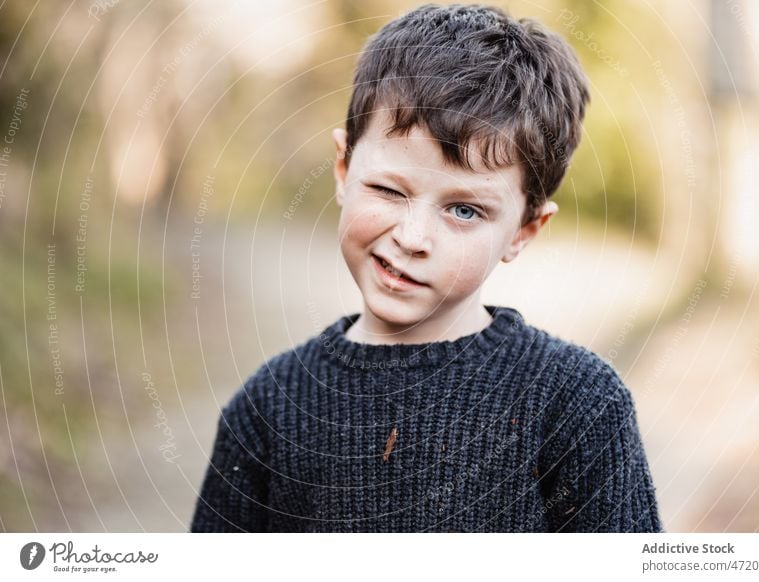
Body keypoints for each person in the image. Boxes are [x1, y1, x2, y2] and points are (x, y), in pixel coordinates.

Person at [190, 3, 662, 532]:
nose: (413, 239)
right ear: (345, 169)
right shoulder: (267, 409)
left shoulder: (576, 405)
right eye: (389, 190)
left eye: (464, 210)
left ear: (524, 231)